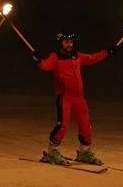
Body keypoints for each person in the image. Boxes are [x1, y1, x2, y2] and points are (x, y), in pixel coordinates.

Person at [34, 31, 115, 165]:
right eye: (66, 42)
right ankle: (52, 152)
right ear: (61, 43)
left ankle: (84, 152)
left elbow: (92, 58)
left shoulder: (76, 56)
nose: (69, 45)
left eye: (71, 42)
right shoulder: (56, 57)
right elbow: (46, 66)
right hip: (65, 97)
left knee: (86, 125)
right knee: (62, 126)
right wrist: (39, 60)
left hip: (79, 98)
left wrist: (108, 52)